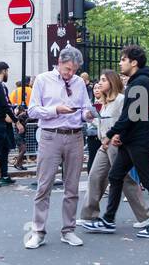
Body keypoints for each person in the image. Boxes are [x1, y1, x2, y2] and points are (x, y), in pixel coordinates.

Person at [85, 46, 149, 237]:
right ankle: (108, 220)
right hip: (133, 139)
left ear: (134, 62)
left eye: (123, 59)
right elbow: (139, 115)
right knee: (116, 176)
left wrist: (112, 133)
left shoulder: (140, 82)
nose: (120, 63)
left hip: (139, 141)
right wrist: (122, 135)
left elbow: (129, 116)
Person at [24, 47, 96, 249]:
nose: (70, 73)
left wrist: (88, 115)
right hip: (50, 136)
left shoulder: (79, 82)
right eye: (67, 69)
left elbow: (84, 109)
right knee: (44, 185)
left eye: (73, 70)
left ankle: (68, 230)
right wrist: (55, 110)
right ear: (59, 62)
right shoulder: (43, 80)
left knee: (72, 187)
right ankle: (38, 231)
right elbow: (33, 110)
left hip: (75, 136)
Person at [79, 69, 149, 231]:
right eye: (100, 79)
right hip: (104, 143)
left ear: (112, 82)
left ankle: (146, 215)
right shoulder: (104, 102)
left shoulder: (121, 100)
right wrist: (93, 119)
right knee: (94, 176)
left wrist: (119, 135)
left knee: (124, 180)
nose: (100, 83)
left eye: (104, 80)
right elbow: (104, 123)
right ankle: (89, 214)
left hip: (116, 144)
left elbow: (126, 120)